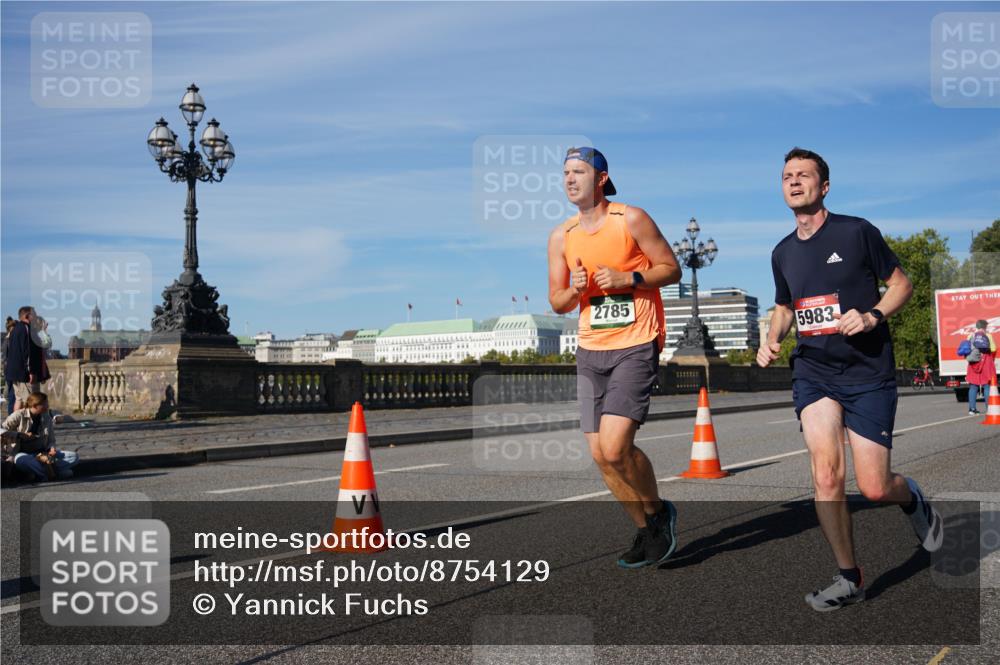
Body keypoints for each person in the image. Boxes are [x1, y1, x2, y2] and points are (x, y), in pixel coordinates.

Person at [758, 147, 943, 611]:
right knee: (825, 474)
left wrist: (872, 315)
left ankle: (911, 498)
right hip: (814, 372)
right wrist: (772, 337)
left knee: (875, 486)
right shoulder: (782, 252)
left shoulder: (857, 232)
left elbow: (901, 284)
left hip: (867, 371)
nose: (794, 181)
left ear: (824, 186)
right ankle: (849, 577)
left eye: (804, 175)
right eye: (787, 175)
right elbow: (785, 307)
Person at [547, 146, 683, 568]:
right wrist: (576, 290)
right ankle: (645, 530)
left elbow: (671, 268)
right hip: (590, 350)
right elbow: (557, 302)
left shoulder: (631, 219)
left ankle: (658, 513)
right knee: (600, 456)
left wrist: (629, 277)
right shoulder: (562, 235)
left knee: (615, 445)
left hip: (636, 342)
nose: (570, 179)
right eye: (566, 173)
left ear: (601, 179)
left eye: (579, 172)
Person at [2, 392, 78, 481]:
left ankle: (42, 474)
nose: (47, 406)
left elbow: (51, 440)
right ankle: (52, 473)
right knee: (20, 460)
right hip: (24, 454)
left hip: (43, 454)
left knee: (74, 456)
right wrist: (19, 435)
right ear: (35, 405)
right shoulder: (19, 415)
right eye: (44, 404)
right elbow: (2, 430)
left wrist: (52, 448)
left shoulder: (46, 417)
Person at [4, 306, 50, 411]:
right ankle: (27, 422)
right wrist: (31, 371)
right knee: (30, 401)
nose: (36, 316)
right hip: (24, 374)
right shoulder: (26, 329)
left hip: (14, 372)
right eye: (34, 314)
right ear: (27, 316)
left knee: (19, 400)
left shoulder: (15, 329)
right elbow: (28, 352)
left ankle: (15, 420)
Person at [965, 319, 997, 415]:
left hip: (973, 363)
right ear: (985, 327)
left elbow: (967, 349)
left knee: (973, 386)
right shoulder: (988, 336)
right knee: (987, 385)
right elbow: (993, 349)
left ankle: (972, 409)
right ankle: (989, 409)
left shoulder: (970, 336)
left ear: (977, 326)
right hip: (985, 362)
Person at [2, 316, 15, 416]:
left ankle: (11, 416)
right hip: (12, 370)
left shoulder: (6, 339)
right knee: (12, 395)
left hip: (8, 370)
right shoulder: (10, 340)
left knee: (10, 394)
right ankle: (12, 416)